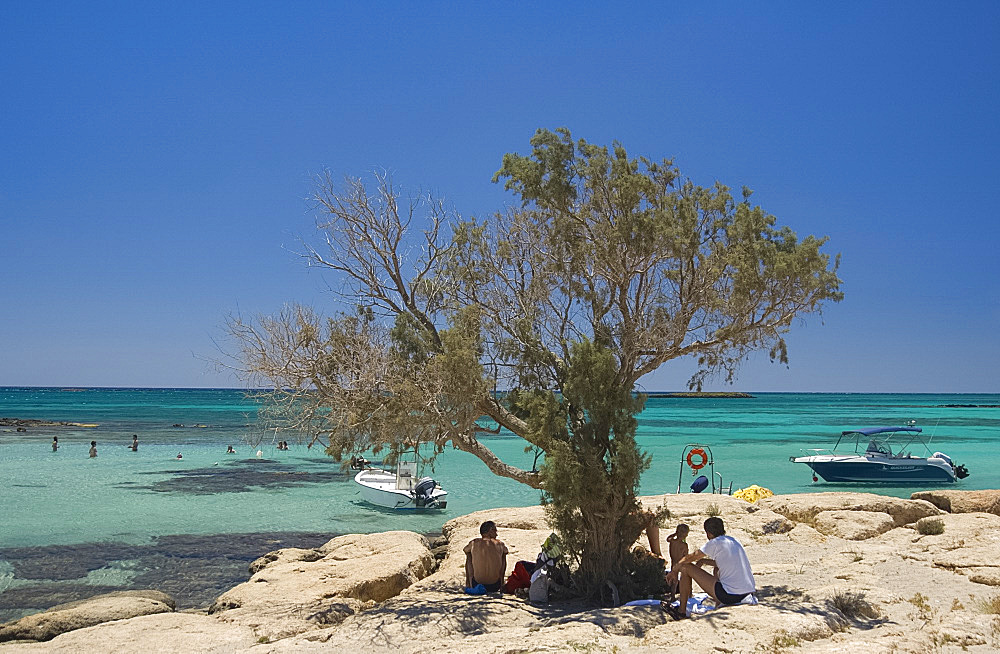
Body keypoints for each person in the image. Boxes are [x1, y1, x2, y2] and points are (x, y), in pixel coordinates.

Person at [665, 517, 755, 619]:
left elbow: (690, 557)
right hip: (747, 594)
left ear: (709, 533)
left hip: (729, 596)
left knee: (685, 567)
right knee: (717, 570)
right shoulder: (733, 541)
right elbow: (723, 563)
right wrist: (703, 561)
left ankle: (681, 611)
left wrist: (674, 570)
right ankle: (717, 604)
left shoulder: (715, 542)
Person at [464, 520, 508, 594]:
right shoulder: (500, 544)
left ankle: (469, 583)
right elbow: (506, 551)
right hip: (495, 586)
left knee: (469, 555)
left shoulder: (474, 543)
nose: (496, 535)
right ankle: (502, 583)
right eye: (495, 531)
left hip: (476, 584)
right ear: (490, 531)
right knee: (503, 556)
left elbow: (465, 550)